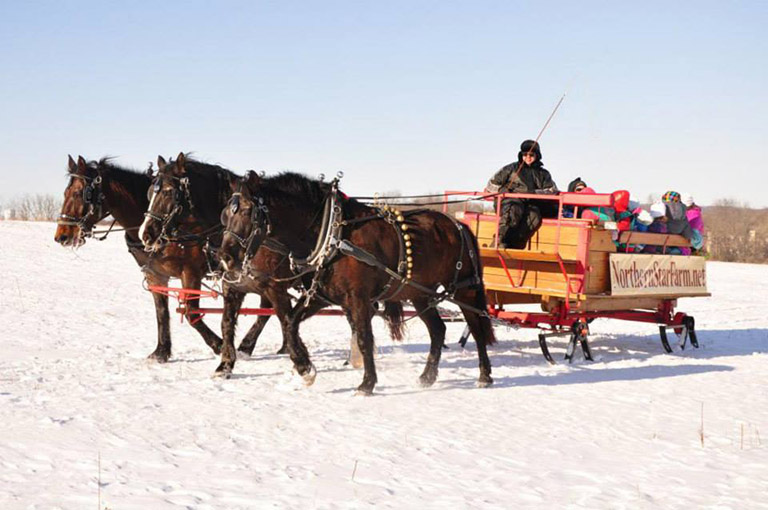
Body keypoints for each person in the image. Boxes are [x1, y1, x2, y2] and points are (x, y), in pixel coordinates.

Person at [485, 140, 559, 248]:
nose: (528, 157)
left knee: (534, 217)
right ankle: (499, 240)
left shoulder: (543, 174)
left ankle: (515, 246)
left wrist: (533, 193)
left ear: (537, 155)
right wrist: (501, 190)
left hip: (531, 205)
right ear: (521, 155)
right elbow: (491, 185)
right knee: (513, 209)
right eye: (525, 154)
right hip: (509, 202)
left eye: (531, 155)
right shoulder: (510, 169)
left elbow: (552, 190)